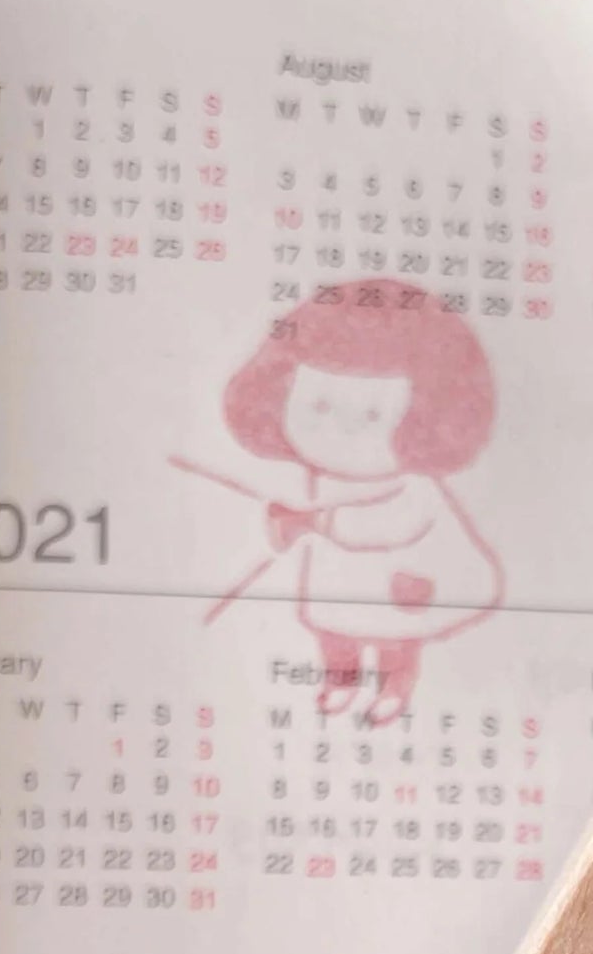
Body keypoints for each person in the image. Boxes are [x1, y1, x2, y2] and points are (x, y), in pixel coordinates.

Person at [183, 281, 503, 726]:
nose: (341, 430)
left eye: (373, 414)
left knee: (395, 642)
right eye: (317, 406)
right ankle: (341, 681)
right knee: (334, 635)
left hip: (398, 581)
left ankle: (395, 687)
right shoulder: (319, 476)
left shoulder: (412, 485)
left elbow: (397, 523)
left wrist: (318, 522)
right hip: (337, 585)